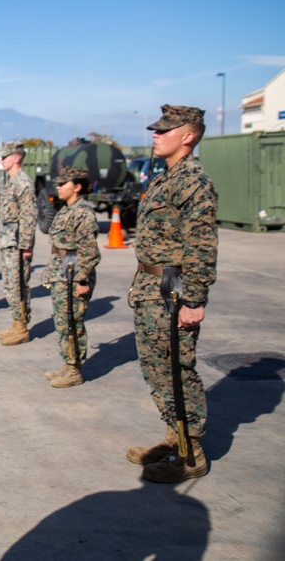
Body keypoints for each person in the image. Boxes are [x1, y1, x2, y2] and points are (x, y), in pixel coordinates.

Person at [127, 104, 217, 483]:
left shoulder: (193, 180)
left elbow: (201, 245)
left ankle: (190, 454)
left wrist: (194, 300)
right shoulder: (166, 176)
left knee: (176, 369)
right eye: (155, 129)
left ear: (188, 136)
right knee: (157, 368)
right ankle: (173, 436)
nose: (155, 135)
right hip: (152, 287)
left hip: (174, 291)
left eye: (164, 130)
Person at [42, 166, 100, 387]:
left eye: (62, 184)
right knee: (62, 320)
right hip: (61, 271)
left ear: (76, 187)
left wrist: (82, 279)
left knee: (71, 322)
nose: (58, 187)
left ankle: (74, 369)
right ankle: (68, 363)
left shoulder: (83, 212)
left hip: (73, 274)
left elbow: (89, 250)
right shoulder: (66, 209)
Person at [0, 142, 37, 345]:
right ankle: (15, 322)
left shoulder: (23, 182)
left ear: (17, 157)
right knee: (10, 284)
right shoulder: (10, 180)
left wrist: (27, 245)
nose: (1, 160)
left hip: (17, 240)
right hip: (8, 238)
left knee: (18, 284)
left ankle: (22, 327)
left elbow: (28, 215)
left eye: (5, 156)